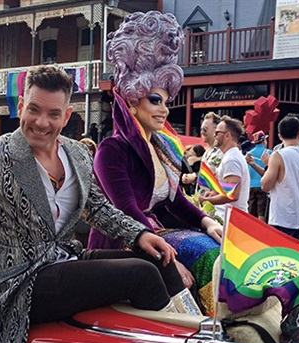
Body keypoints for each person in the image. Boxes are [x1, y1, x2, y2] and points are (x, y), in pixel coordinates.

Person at [0, 65, 202, 343]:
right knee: (141, 274)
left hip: (64, 258)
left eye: (53, 114)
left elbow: (98, 208)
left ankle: (202, 333)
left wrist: (141, 234)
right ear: (21, 106)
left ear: (66, 116)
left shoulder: (78, 153)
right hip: (17, 279)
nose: (42, 122)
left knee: (159, 257)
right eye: (34, 109)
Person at [87, 11, 222, 316]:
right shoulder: (112, 150)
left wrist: (207, 221)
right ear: (132, 101)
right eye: (155, 100)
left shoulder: (161, 147)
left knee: (217, 248)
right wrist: (170, 260)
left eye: (166, 101)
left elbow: (175, 202)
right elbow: (126, 211)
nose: (164, 110)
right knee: (205, 255)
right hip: (125, 243)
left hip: (156, 236)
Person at [248, 114, 299, 239]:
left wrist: (267, 165)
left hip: (282, 217)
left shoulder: (278, 155)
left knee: (278, 254)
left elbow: (266, 185)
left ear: (280, 136)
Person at [199, 116, 250, 219]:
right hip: (227, 218)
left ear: (227, 135)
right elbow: (227, 190)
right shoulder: (230, 156)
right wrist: (214, 193)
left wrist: (204, 200)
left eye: (217, 132)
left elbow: (232, 195)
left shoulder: (232, 159)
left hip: (230, 220)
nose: (214, 135)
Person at [245, 131, 269, 222]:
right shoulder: (269, 153)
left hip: (250, 187)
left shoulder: (248, 155)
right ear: (264, 141)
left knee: (251, 213)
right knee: (261, 213)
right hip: (263, 186)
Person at [198, 112, 223, 196]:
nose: (202, 132)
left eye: (205, 129)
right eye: (201, 129)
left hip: (216, 204)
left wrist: (194, 177)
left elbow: (220, 179)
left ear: (216, 129)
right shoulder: (207, 151)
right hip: (204, 203)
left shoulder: (222, 152)